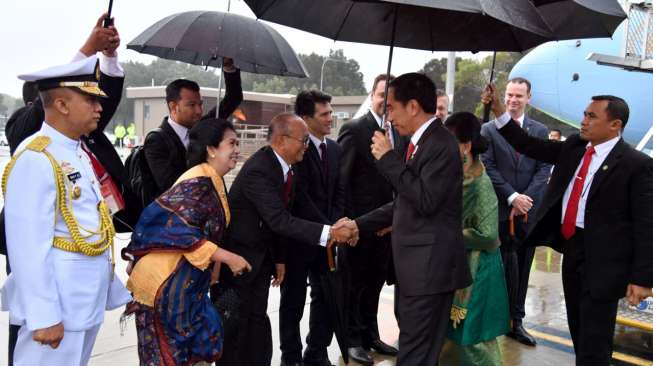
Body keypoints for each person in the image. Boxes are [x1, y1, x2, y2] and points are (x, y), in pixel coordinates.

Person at [482, 85, 653, 365]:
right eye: (584, 114)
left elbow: (647, 225)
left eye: (592, 116)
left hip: (606, 263)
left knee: (595, 341)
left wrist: (643, 278)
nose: (584, 120)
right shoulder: (575, 146)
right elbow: (529, 144)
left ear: (615, 124)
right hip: (572, 251)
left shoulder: (636, 165)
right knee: (579, 332)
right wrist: (501, 112)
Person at [1, 55, 132, 366]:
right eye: (90, 99)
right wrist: (43, 314)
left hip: (82, 302)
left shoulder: (76, 150)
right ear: (61, 104)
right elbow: (28, 246)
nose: (100, 107)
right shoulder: (37, 156)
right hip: (57, 308)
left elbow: (89, 227)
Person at [342, 73, 472, 366]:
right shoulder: (419, 142)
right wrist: (357, 224)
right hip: (417, 270)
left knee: (415, 355)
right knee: (419, 353)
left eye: (391, 107)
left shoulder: (440, 144)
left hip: (429, 270)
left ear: (412, 107)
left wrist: (388, 159)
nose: (388, 116)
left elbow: (425, 200)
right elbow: (403, 203)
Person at [216, 112, 357, 366]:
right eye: (303, 140)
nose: (306, 146)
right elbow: (279, 220)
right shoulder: (260, 169)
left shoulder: (285, 168)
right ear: (282, 140)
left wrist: (280, 258)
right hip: (240, 261)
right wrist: (329, 233)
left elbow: (284, 217)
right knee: (241, 330)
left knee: (256, 325)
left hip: (260, 261)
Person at [123, 118, 252, 365]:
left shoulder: (212, 178)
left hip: (187, 285)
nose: (237, 149)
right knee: (168, 357)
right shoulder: (197, 182)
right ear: (211, 149)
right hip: (164, 284)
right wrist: (229, 258)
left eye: (238, 143)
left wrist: (213, 268)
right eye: (231, 143)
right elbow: (178, 230)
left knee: (194, 351)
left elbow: (207, 230)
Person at [338, 73, 405, 365]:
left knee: (375, 284)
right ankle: (351, 340)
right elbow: (342, 182)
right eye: (381, 96)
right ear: (372, 94)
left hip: (388, 227)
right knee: (354, 286)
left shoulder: (400, 134)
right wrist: (351, 224)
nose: (385, 103)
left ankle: (370, 335)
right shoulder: (354, 129)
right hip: (359, 227)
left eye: (391, 99)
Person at [480, 77, 551, 346]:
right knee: (495, 269)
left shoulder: (540, 130)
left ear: (529, 98)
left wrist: (525, 200)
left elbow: (544, 169)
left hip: (527, 214)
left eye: (519, 96)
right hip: (499, 211)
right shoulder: (488, 130)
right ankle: (491, 319)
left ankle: (516, 321)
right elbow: (488, 167)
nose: (512, 100)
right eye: (509, 95)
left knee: (522, 268)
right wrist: (511, 197)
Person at [279, 90, 345, 366]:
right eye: (325, 114)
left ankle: (316, 352)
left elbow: (341, 191)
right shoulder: (296, 150)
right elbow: (300, 199)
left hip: (329, 239)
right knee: (293, 303)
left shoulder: (335, 149)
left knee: (326, 299)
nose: (331, 118)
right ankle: (291, 357)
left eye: (331, 112)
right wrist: (327, 229)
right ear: (305, 118)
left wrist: (336, 226)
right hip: (299, 240)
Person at [442, 112, 510, 366]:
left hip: (477, 270)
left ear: (466, 145)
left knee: (470, 339)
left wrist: (445, 234)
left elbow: (489, 235)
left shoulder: (481, 183)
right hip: (458, 263)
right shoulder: (458, 175)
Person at [143, 61, 243, 199]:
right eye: (191, 105)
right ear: (173, 107)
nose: (199, 111)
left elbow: (233, 98)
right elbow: (171, 187)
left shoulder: (204, 127)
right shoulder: (156, 140)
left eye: (200, 104)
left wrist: (228, 67)